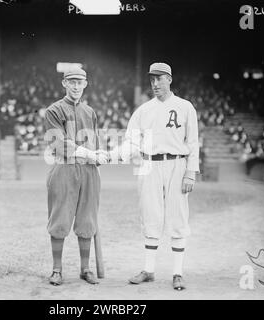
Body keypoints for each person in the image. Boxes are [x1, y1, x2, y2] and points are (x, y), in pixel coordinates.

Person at [109, 62, 200, 290]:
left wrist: (190, 172)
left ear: (170, 79)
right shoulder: (143, 110)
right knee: (150, 215)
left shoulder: (185, 106)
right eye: (152, 79)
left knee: (178, 216)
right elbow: (130, 143)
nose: (155, 83)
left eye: (159, 78)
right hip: (148, 164)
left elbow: (192, 143)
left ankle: (177, 272)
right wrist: (108, 157)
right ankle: (149, 270)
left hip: (177, 165)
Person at [43, 67, 108, 286]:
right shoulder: (54, 110)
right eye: (72, 82)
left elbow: (95, 145)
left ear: (86, 84)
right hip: (63, 169)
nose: (76, 86)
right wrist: (89, 153)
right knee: (60, 219)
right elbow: (59, 144)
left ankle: (85, 269)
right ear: (64, 84)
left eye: (80, 82)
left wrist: (99, 155)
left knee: (87, 220)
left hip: (89, 172)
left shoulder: (90, 112)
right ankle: (57, 270)